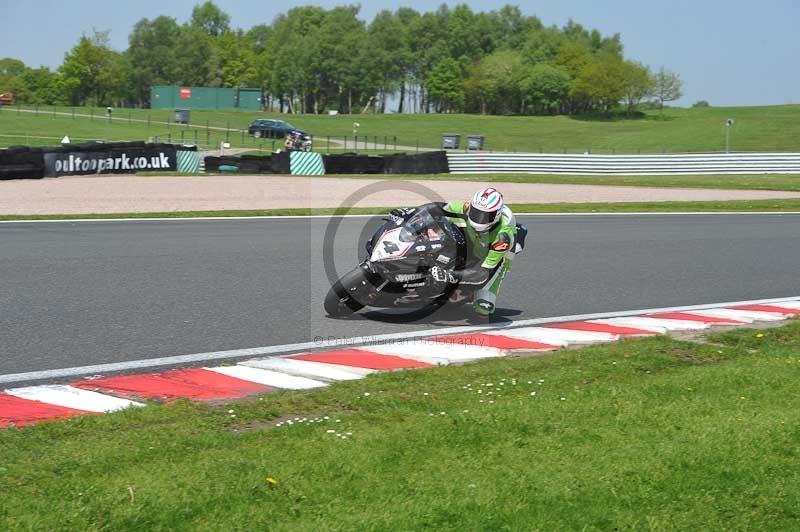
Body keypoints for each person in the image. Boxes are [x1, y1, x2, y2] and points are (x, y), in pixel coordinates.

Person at [391, 187, 523, 317]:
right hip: (474, 238)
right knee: (436, 226)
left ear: (496, 215)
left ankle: (469, 293)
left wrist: (449, 275)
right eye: (476, 212)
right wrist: (411, 212)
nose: (478, 218)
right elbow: (437, 208)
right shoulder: (466, 208)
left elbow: (483, 273)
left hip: (494, 256)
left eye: (485, 216)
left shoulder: (503, 237)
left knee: (483, 310)